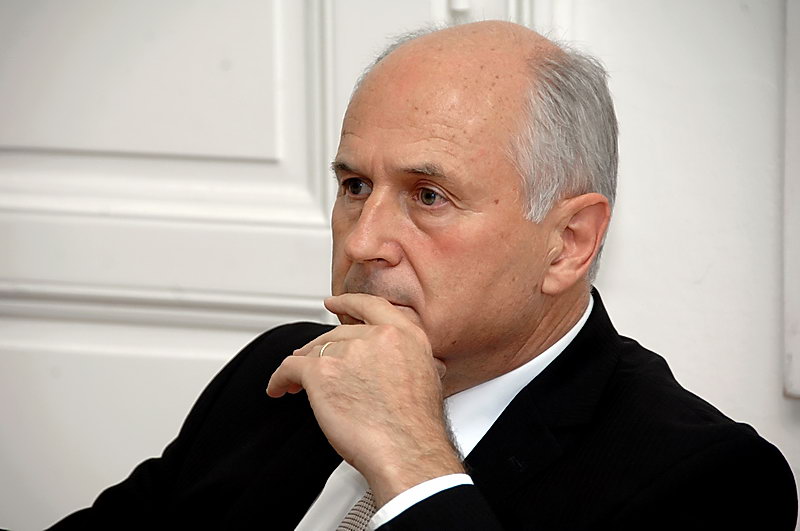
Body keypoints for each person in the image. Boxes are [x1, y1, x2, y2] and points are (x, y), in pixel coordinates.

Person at [49, 20, 797, 530]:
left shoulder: (704, 480)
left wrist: (412, 463)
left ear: (568, 243)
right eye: (354, 186)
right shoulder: (281, 374)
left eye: (429, 196)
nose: (364, 241)